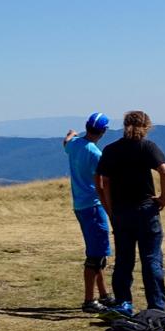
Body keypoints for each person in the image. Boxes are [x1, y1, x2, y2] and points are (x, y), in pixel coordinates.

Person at [95, 110, 165, 314]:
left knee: (123, 260)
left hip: (121, 210)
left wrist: (110, 208)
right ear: (147, 126)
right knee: (151, 259)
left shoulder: (111, 150)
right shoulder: (147, 147)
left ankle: (124, 303)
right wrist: (163, 198)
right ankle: (156, 307)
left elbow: (102, 183)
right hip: (146, 209)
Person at [62, 113, 113, 313]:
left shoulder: (74, 144)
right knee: (96, 255)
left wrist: (71, 134)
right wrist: (110, 208)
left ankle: (104, 294)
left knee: (96, 251)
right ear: (103, 131)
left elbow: (66, 142)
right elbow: (101, 184)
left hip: (80, 205)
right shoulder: (95, 153)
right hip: (94, 206)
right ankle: (89, 300)